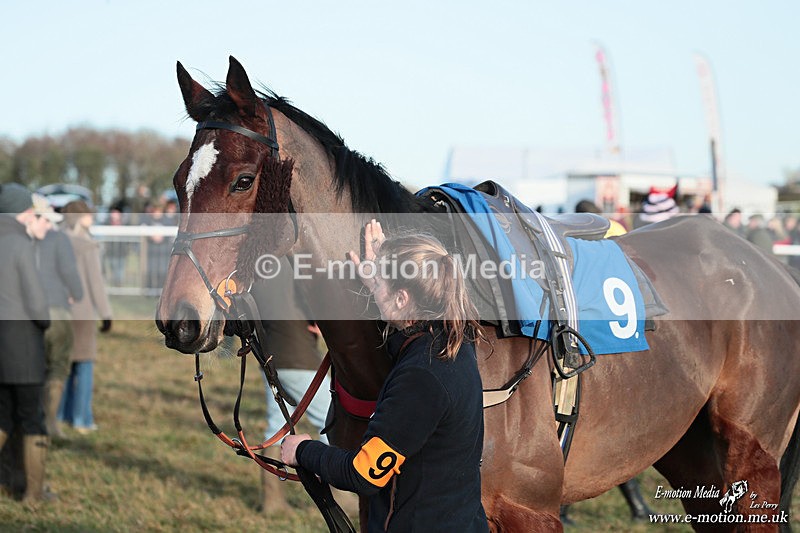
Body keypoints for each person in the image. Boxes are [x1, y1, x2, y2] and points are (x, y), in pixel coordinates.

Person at [282, 220, 489, 532]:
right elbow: (405, 333)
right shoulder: (455, 340)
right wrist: (383, 282)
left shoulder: (421, 377)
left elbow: (364, 474)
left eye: (378, 284)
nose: (373, 288)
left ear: (403, 298)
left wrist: (303, 451)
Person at [249, 256, 336, 515]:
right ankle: (344, 497)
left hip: (270, 356)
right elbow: (316, 308)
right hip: (298, 356)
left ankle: (272, 502)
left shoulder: (258, 268)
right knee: (332, 421)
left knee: (277, 427)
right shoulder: (295, 263)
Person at [0, 183, 53, 502]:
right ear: (21, 212)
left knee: (2, 416)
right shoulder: (22, 244)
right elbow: (37, 303)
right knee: (33, 419)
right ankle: (33, 493)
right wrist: (45, 319)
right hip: (23, 349)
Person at [31, 195, 84, 440]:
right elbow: (70, 273)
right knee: (58, 366)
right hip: (56, 309)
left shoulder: (18, 239)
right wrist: (77, 293)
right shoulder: (58, 239)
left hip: (26, 312)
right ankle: (49, 422)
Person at [57, 200, 113, 435]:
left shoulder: (54, 241)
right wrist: (106, 314)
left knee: (63, 366)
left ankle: (60, 414)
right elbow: (95, 284)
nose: (92, 217)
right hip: (83, 313)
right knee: (84, 367)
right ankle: (82, 419)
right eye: (89, 215)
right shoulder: (87, 246)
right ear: (80, 218)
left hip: (59, 312)